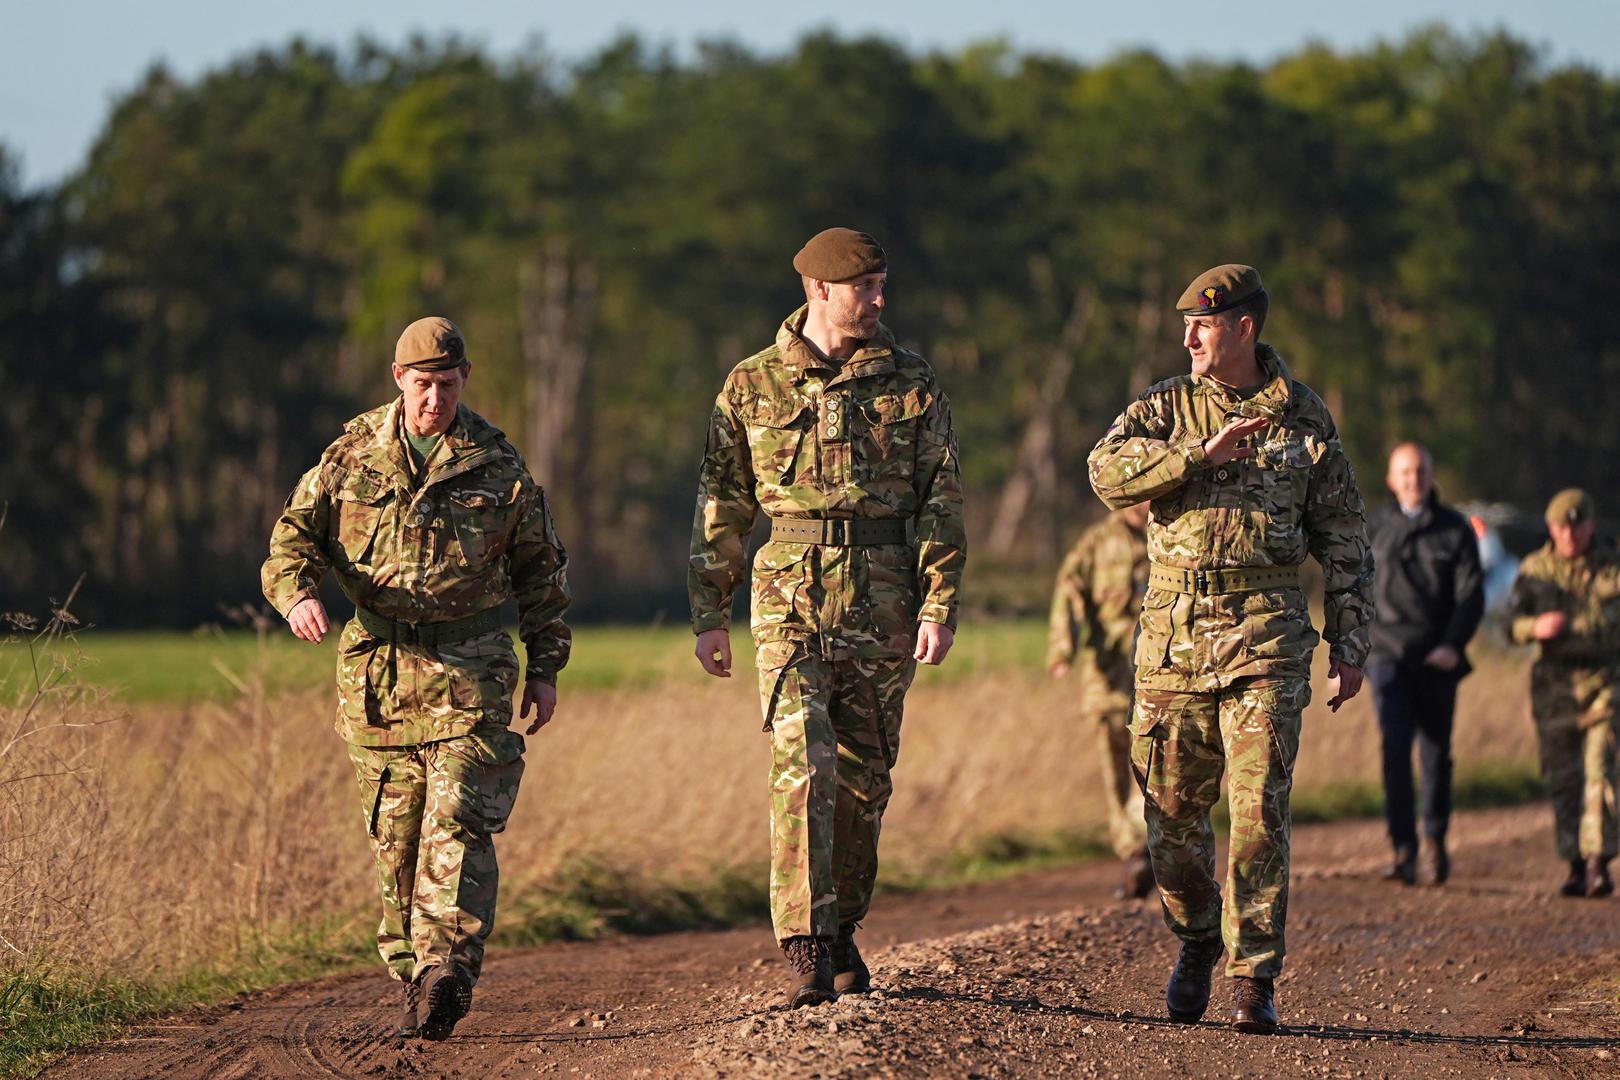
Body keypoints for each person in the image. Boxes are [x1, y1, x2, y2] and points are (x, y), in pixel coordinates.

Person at [261, 317, 571, 1039]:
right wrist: (298, 594)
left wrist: (547, 667)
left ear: (465, 380)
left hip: (474, 674)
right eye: (422, 385)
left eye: (447, 384)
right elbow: (291, 540)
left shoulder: (499, 468)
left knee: (459, 815)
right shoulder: (348, 458)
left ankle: (448, 968)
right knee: (395, 840)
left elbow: (541, 575)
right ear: (398, 379)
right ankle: (414, 977)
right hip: (381, 680)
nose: (434, 399)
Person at [1088, 264, 1373, 1035]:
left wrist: (1350, 640)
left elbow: (1343, 536)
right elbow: (1105, 474)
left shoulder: (1306, 419)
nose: (1189, 339)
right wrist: (1195, 458)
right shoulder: (1163, 407)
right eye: (1185, 326)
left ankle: (1254, 978)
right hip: (1175, 642)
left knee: (1257, 815)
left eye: (1203, 326)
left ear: (1245, 327)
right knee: (1172, 827)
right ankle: (1196, 937)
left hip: (1268, 641)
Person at [688, 228, 966, 1007]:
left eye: (882, 287)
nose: (878, 301)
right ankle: (805, 940)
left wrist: (939, 601)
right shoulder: (751, 384)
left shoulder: (911, 381)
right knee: (801, 762)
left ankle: (842, 923)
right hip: (787, 592)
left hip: (884, 593)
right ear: (817, 291)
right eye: (862, 289)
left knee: (864, 781)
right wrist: (710, 609)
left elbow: (942, 501)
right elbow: (722, 503)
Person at [1366, 442, 1484, 886]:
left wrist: (1453, 645)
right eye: (1405, 472)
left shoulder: (1454, 530)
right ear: (1391, 479)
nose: (1413, 479)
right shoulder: (1374, 527)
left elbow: (1471, 595)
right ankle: (1402, 849)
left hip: (1437, 657)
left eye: (1420, 471)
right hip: (1387, 657)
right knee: (1395, 750)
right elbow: (1355, 587)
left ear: (1431, 476)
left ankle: (1435, 840)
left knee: (1436, 754)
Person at [1506, 488, 1618, 899]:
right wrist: (1535, 628)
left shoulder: (1612, 567)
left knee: (1600, 771)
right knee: (1563, 778)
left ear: (1590, 525)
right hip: (1554, 688)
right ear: (1552, 530)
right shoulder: (1536, 569)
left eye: (1578, 526)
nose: (1571, 535)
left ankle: (1598, 863)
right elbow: (1509, 624)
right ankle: (1574, 863)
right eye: (1562, 528)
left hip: (1605, 684)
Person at [1047, 503, 1153, 899]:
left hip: (1162, 668)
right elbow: (1069, 591)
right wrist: (1063, 648)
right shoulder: (1097, 543)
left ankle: (1147, 843)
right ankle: (1132, 852)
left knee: (1153, 754)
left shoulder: (1173, 531)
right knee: (1114, 762)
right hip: (1108, 672)